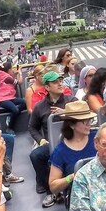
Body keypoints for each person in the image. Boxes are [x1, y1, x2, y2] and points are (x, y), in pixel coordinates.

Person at [28, 71, 72, 203]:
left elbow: (84, 115)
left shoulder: (71, 101)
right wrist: (41, 140)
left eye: (60, 81)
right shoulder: (39, 107)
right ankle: (50, 189)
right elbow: (32, 127)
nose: (60, 84)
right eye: (55, 82)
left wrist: (67, 112)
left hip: (72, 140)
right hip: (52, 144)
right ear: (47, 87)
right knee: (35, 155)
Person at [46, 101, 98, 208]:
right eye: (84, 121)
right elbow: (53, 186)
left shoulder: (98, 138)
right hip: (79, 196)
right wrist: (72, 177)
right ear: (71, 124)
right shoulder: (60, 151)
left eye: (90, 120)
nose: (89, 124)